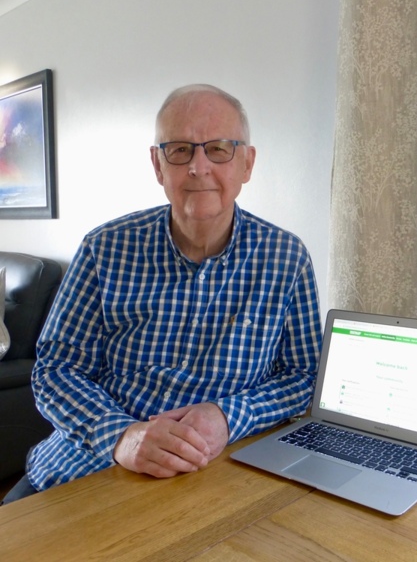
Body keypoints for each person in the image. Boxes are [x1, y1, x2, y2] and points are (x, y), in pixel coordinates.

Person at [1, 84, 322, 504]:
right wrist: (122, 437)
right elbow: (55, 371)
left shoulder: (287, 258)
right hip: (85, 470)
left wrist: (228, 417)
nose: (198, 166)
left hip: (215, 481)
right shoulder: (105, 248)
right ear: (157, 164)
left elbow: (303, 376)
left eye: (220, 148)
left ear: (247, 163)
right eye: (180, 150)